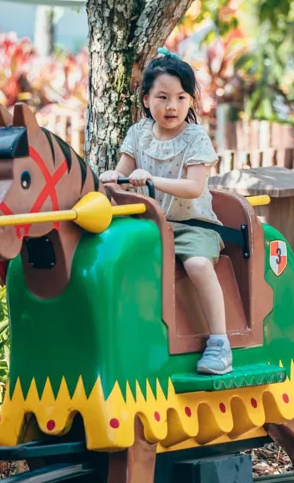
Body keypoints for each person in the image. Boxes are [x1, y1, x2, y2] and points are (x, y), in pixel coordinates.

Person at [99, 48, 232, 375]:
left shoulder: (195, 138)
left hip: (192, 225)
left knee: (199, 264)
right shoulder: (138, 134)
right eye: (162, 97)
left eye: (181, 97)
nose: (171, 106)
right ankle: (128, 340)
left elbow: (194, 187)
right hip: (149, 225)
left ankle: (220, 343)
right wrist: (112, 179)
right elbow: (123, 176)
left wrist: (153, 179)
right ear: (146, 100)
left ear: (190, 101)